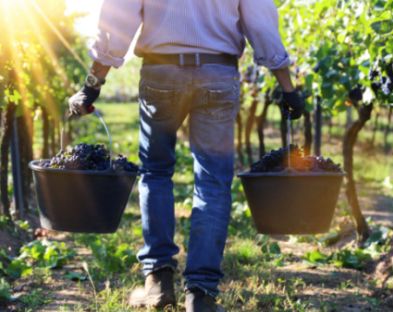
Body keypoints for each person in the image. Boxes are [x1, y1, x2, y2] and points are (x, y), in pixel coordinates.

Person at [68, 0, 305, 310]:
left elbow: (118, 16)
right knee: (213, 182)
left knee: (155, 172)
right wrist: (287, 87)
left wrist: (92, 84)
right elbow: (261, 25)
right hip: (218, 74)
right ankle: (201, 293)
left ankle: (158, 276)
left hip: (161, 73)